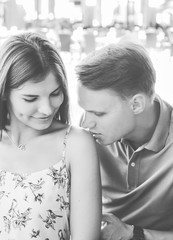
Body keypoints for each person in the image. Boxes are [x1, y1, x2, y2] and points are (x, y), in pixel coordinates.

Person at [0, 31, 101, 240]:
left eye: (55, 94)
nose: (47, 109)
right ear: (4, 93)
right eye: (31, 98)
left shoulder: (76, 144)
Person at [76, 41, 173, 240]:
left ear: (136, 104)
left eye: (98, 113)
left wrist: (133, 234)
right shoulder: (92, 133)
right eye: (84, 110)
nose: (86, 123)